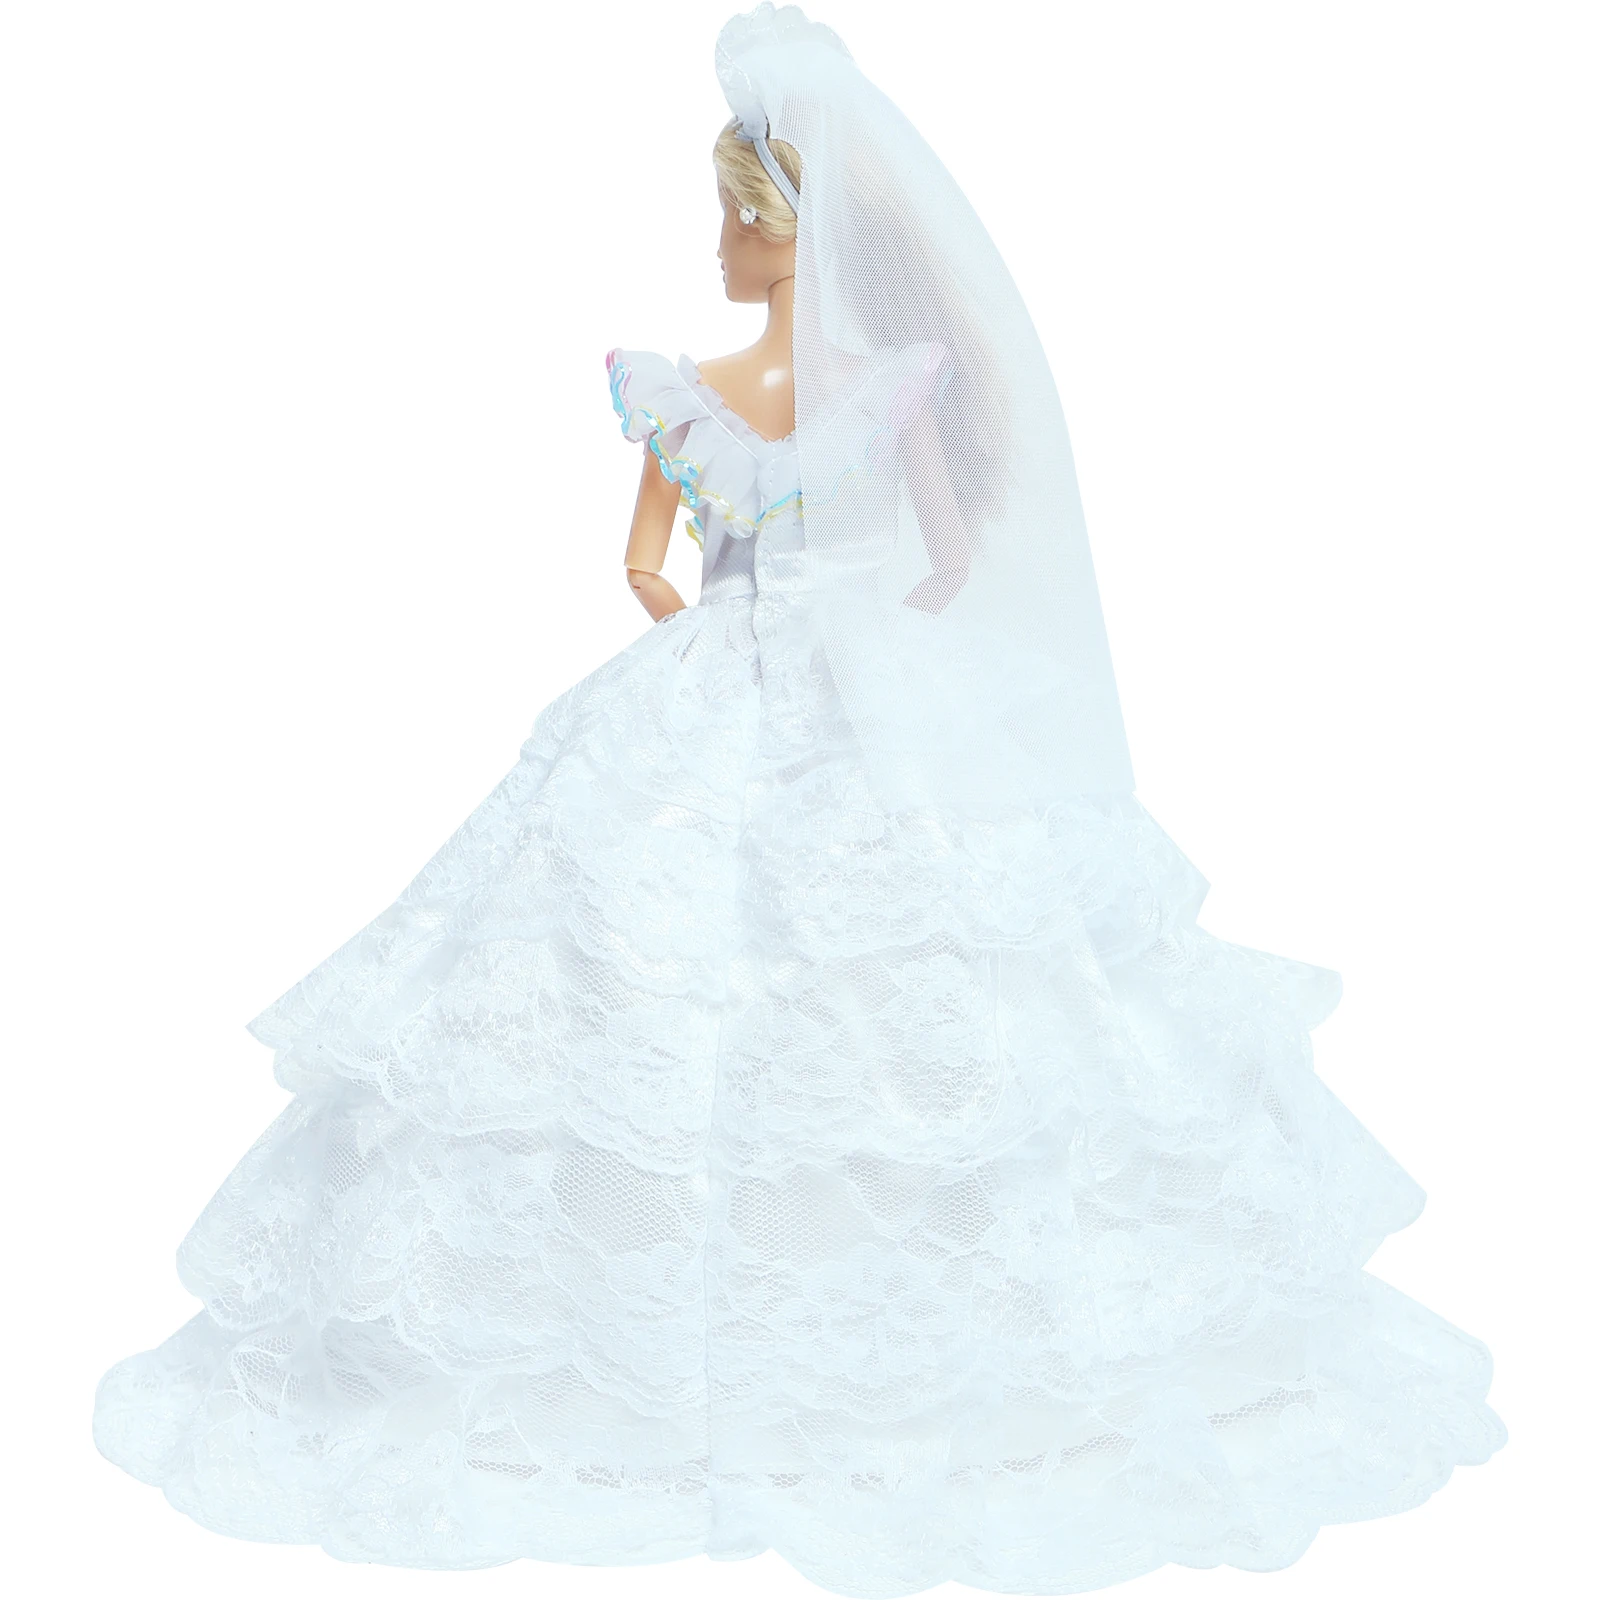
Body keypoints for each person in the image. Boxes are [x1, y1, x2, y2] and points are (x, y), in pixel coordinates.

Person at [93, 6, 1504, 1593]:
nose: (721, 246)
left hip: (717, 679)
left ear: (785, 227)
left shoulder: (729, 392)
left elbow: (648, 572)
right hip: (840, 682)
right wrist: (873, 646)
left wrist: (725, 639)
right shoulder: (813, 389)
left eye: (737, 219)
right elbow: (947, 563)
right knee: (822, 976)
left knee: (752, 969)